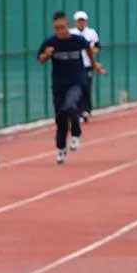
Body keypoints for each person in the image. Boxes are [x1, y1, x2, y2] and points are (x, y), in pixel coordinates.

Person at [38, 12, 94, 164]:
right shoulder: (51, 42)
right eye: (57, 28)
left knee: (71, 106)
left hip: (76, 82)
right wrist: (47, 55)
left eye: (62, 27)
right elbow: (40, 59)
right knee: (60, 118)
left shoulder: (78, 40)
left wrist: (94, 64)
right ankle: (61, 148)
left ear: (67, 25)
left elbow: (88, 49)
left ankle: (76, 133)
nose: (60, 31)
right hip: (58, 85)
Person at [71, 10, 106, 133]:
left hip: (88, 64)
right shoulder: (71, 33)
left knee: (86, 86)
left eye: (83, 21)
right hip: (75, 65)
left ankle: (86, 109)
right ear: (75, 22)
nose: (81, 23)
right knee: (77, 88)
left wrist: (91, 53)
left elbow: (97, 46)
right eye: (79, 21)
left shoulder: (91, 33)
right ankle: (79, 111)